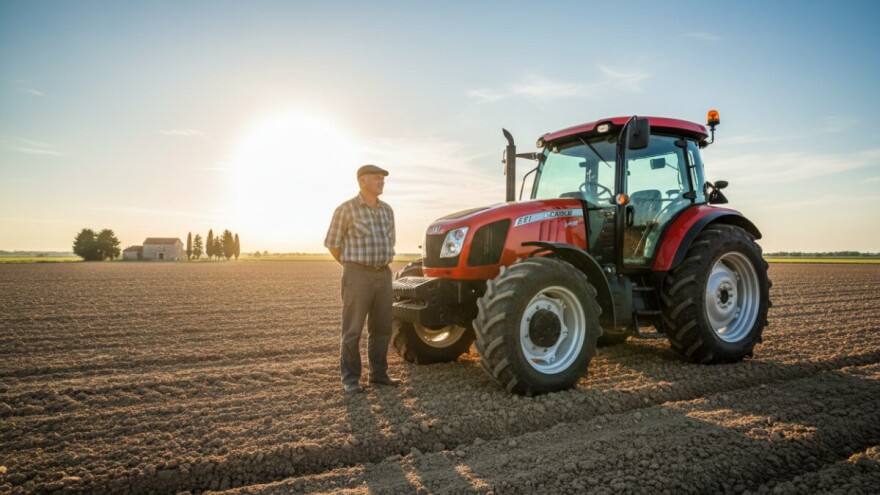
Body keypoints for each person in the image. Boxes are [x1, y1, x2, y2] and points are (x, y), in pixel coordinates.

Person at [324, 164, 400, 394]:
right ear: (362, 181)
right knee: (353, 330)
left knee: (382, 328)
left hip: (383, 274)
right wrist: (353, 267)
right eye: (377, 178)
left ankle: (378, 374)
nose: (381, 182)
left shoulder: (387, 210)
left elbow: (391, 240)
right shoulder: (346, 209)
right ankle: (350, 379)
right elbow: (333, 244)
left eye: (383, 179)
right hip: (357, 275)